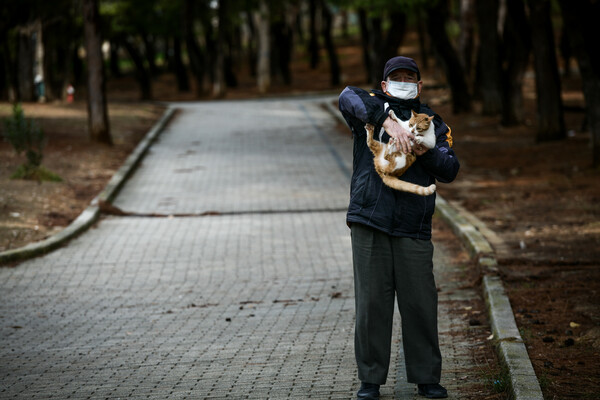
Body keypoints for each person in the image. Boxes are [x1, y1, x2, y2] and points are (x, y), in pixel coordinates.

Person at [338, 56, 459, 399]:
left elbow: (450, 168)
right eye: (397, 77)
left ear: (420, 86)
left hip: (413, 224)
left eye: (410, 78)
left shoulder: (434, 122)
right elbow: (347, 95)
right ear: (385, 84)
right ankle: (370, 381)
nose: (404, 82)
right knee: (372, 304)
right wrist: (388, 122)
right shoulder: (371, 109)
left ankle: (426, 378)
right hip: (370, 220)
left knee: (420, 303)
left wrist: (422, 147)